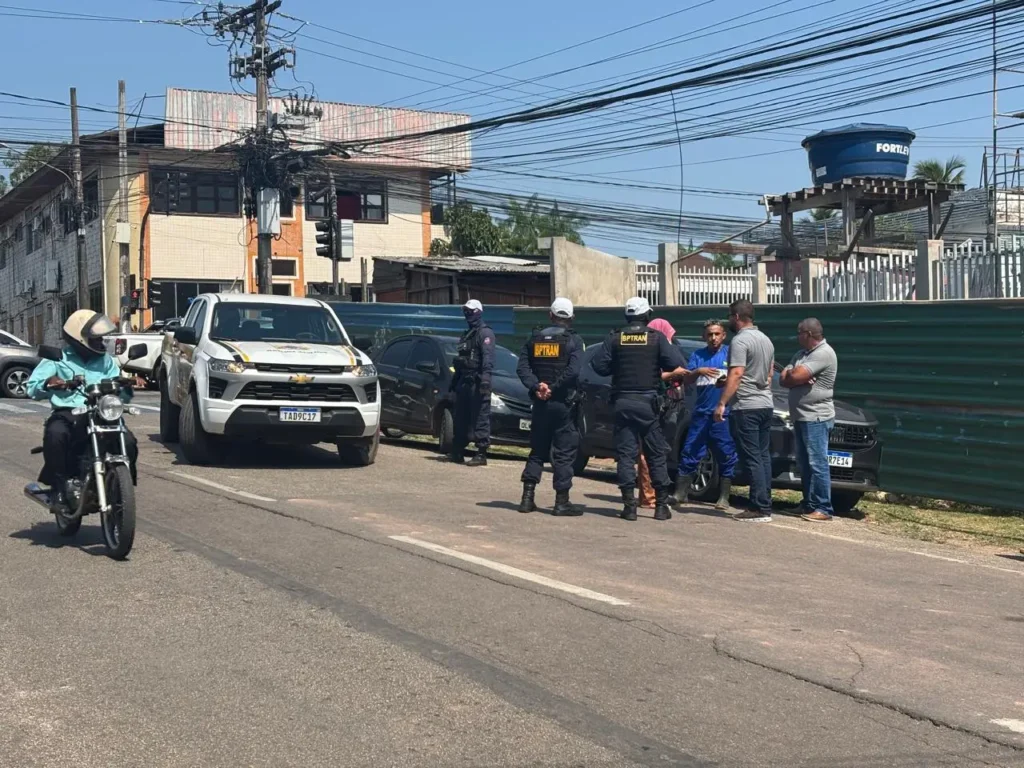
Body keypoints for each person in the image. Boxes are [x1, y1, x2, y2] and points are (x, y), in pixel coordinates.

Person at [27, 310, 137, 512]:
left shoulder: (106, 361)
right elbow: (32, 387)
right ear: (80, 339)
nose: (100, 343)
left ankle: (121, 487)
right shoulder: (58, 358)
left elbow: (123, 394)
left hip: (100, 411)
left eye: (101, 339)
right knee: (55, 434)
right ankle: (59, 489)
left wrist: (126, 386)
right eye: (95, 339)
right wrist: (50, 383)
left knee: (128, 441)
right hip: (69, 412)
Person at [591, 297, 687, 522]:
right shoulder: (656, 338)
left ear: (627, 317)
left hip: (623, 403)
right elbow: (676, 362)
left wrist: (618, 363)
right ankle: (661, 506)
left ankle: (629, 506)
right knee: (656, 454)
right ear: (647, 316)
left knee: (626, 455)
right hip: (648, 405)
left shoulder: (615, 338)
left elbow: (598, 366)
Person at [515, 297, 585, 516]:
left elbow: (522, 369)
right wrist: (552, 388)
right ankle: (561, 502)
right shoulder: (574, 341)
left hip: (541, 403)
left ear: (550, 315)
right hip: (563, 404)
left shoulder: (534, 339)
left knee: (537, 450)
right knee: (564, 453)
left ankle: (527, 499)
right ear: (571, 318)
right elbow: (574, 371)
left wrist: (538, 387)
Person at [714, 299, 775, 522]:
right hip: (765, 404)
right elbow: (767, 374)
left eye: (730, 316)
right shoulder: (765, 340)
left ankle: (759, 508)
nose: (729, 320)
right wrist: (728, 381)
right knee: (762, 456)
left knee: (751, 458)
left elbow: (738, 374)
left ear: (737, 317)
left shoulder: (740, 341)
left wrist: (722, 403)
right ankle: (765, 502)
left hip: (746, 406)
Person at [675, 319, 739, 512]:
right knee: (691, 450)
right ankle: (680, 492)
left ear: (723, 335)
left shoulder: (731, 354)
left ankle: (724, 496)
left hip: (722, 414)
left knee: (725, 452)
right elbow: (686, 379)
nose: (713, 338)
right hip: (701, 413)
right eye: (709, 334)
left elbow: (739, 376)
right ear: (704, 336)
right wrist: (698, 371)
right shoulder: (697, 356)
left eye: (716, 334)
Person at [780, 317, 838, 522]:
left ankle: (824, 507)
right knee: (804, 463)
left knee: (817, 462)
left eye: (799, 332)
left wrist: (794, 375)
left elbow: (794, 377)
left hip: (816, 416)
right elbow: (785, 378)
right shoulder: (802, 354)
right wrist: (793, 373)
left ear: (809, 334)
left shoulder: (823, 353)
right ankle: (809, 503)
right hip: (801, 415)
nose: (797, 336)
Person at [636, 318, 685, 509]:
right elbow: (655, 375)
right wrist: (674, 374)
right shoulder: (650, 351)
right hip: (654, 404)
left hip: (670, 405)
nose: (671, 338)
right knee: (648, 452)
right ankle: (649, 497)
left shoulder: (669, 350)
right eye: (668, 334)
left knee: (660, 451)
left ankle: (658, 494)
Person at [449, 299, 495, 466]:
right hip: (464, 381)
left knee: (480, 418)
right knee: (461, 417)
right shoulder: (466, 334)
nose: (468, 314)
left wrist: (485, 380)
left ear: (479, 312)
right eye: (466, 311)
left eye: (471, 311)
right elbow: (461, 360)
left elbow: (488, 358)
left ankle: (481, 454)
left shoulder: (485, 333)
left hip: (477, 382)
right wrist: (454, 383)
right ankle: (457, 451)